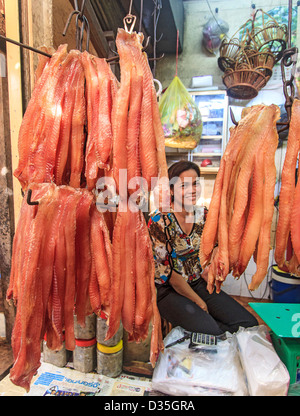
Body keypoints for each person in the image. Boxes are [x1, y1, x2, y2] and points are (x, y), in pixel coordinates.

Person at [148, 160, 258, 336]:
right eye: (184, 185)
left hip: (198, 282)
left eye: (195, 184)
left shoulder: (203, 215)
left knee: (248, 323)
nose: (192, 190)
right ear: (171, 190)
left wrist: (214, 259)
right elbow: (169, 275)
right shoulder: (158, 221)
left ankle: (212, 336)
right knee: (212, 332)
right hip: (169, 290)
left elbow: (215, 245)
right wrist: (198, 302)